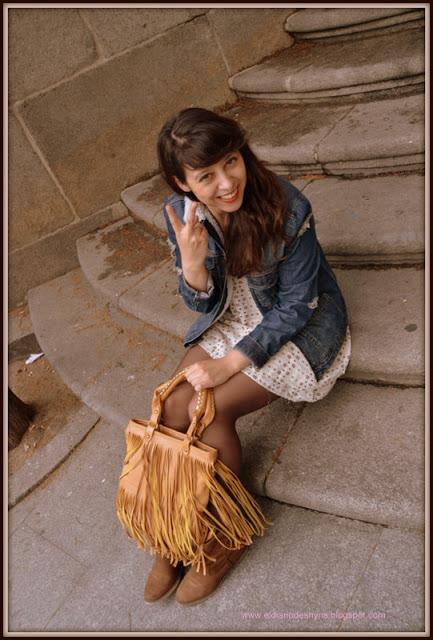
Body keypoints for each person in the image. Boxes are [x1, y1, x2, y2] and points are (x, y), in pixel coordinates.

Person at [143, 107, 351, 606]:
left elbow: (297, 305)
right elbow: (200, 301)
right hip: (232, 317)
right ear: (182, 181)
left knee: (206, 407)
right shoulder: (181, 213)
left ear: (242, 154)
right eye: (206, 176)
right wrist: (192, 268)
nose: (225, 183)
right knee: (170, 408)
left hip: (299, 327)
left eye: (230, 163)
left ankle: (223, 542)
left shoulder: (288, 205)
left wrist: (228, 364)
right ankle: (178, 529)